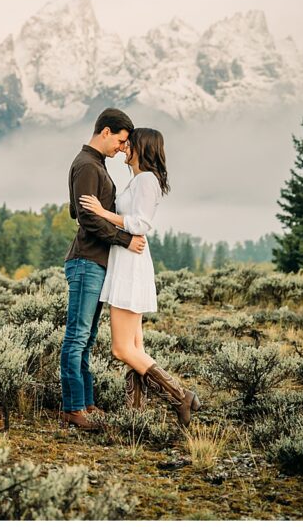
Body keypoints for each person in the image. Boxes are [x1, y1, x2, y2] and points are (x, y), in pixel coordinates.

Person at [80, 126, 201, 426]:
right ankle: (136, 415)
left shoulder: (146, 180)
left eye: (128, 144)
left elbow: (141, 224)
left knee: (121, 348)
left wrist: (103, 213)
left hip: (130, 265)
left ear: (141, 148)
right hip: (127, 260)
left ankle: (180, 396)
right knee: (135, 348)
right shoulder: (140, 180)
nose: (123, 147)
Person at [60, 108, 146, 430]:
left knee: (88, 336)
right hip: (86, 261)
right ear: (106, 131)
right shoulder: (86, 165)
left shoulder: (95, 166)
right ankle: (73, 408)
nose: (122, 148)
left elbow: (75, 209)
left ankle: (87, 403)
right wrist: (125, 239)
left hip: (95, 262)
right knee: (77, 336)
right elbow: (85, 217)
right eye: (121, 141)